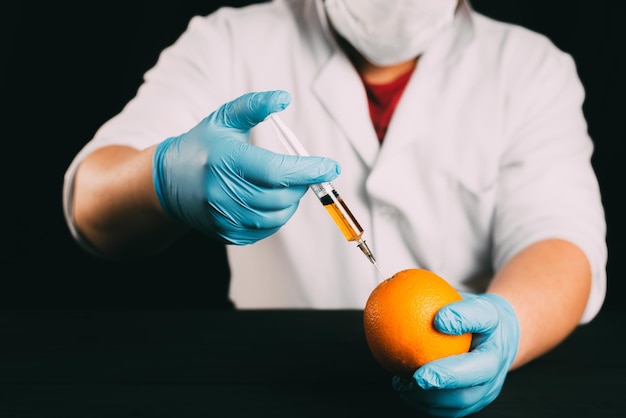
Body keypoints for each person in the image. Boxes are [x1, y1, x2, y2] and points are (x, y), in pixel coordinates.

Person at [63, 0, 607, 416]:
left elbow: (561, 238)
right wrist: (164, 179)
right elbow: (91, 199)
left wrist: (509, 326)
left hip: (457, 385)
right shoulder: (230, 42)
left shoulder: (530, 66)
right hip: (267, 386)